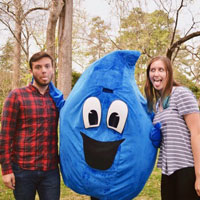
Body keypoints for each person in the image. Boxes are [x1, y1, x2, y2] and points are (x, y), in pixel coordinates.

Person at [0, 52, 60, 200]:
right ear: (31, 71)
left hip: (50, 171)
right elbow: (5, 136)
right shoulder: (17, 96)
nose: (43, 70)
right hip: (23, 170)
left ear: (52, 69)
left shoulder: (57, 99)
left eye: (47, 66)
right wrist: (6, 170)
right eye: (38, 67)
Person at [144, 56, 200, 200]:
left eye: (161, 70)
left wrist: (199, 175)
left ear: (169, 73)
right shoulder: (158, 105)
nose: (156, 74)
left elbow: (197, 133)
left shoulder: (181, 94)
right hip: (168, 172)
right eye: (152, 70)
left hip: (187, 169)